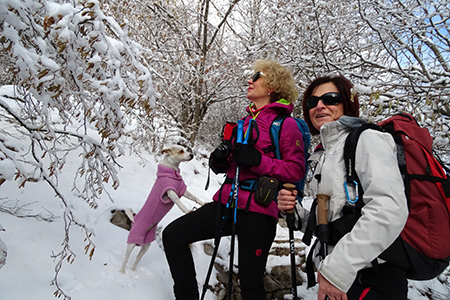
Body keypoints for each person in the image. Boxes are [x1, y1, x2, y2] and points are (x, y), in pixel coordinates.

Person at [163, 59, 306, 300]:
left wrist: (257, 160)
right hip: (227, 205)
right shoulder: (243, 124)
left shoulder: (286, 124)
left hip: (260, 212)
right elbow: (235, 165)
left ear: (272, 85)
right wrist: (220, 162)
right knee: (174, 236)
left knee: (251, 284)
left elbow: (296, 169)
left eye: (256, 77)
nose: (249, 81)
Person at [277, 75, 409, 300]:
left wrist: (337, 270)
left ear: (347, 103)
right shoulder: (324, 155)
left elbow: (389, 211)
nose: (319, 105)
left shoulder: (368, 139)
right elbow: (335, 221)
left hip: (371, 277)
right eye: (312, 101)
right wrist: (296, 215)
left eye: (330, 98)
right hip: (341, 276)